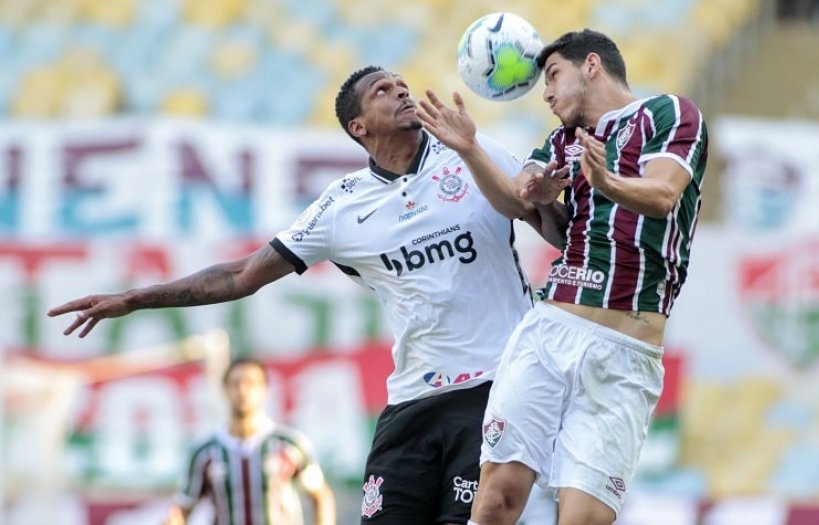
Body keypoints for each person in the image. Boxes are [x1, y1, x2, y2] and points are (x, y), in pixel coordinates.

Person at [47, 66, 561, 524]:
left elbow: (551, 226)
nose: (402, 93)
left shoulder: (473, 151)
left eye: (403, 86)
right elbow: (241, 275)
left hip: (495, 384)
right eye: (384, 91)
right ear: (359, 127)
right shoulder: (342, 206)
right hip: (412, 398)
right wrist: (135, 298)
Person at [415, 28, 708, 525]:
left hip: (626, 354)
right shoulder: (560, 142)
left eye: (552, 76)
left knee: (583, 519)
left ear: (591, 65)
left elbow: (662, 197)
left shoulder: (669, 114)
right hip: (550, 333)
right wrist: (473, 152)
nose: (546, 93)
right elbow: (517, 201)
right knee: (496, 500)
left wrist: (606, 181)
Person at [164, 357, 335, 525]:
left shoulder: (289, 445)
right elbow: (182, 509)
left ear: (264, 390)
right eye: (235, 383)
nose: (242, 390)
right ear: (225, 390)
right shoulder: (205, 452)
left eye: (250, 383)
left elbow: (321, 496)